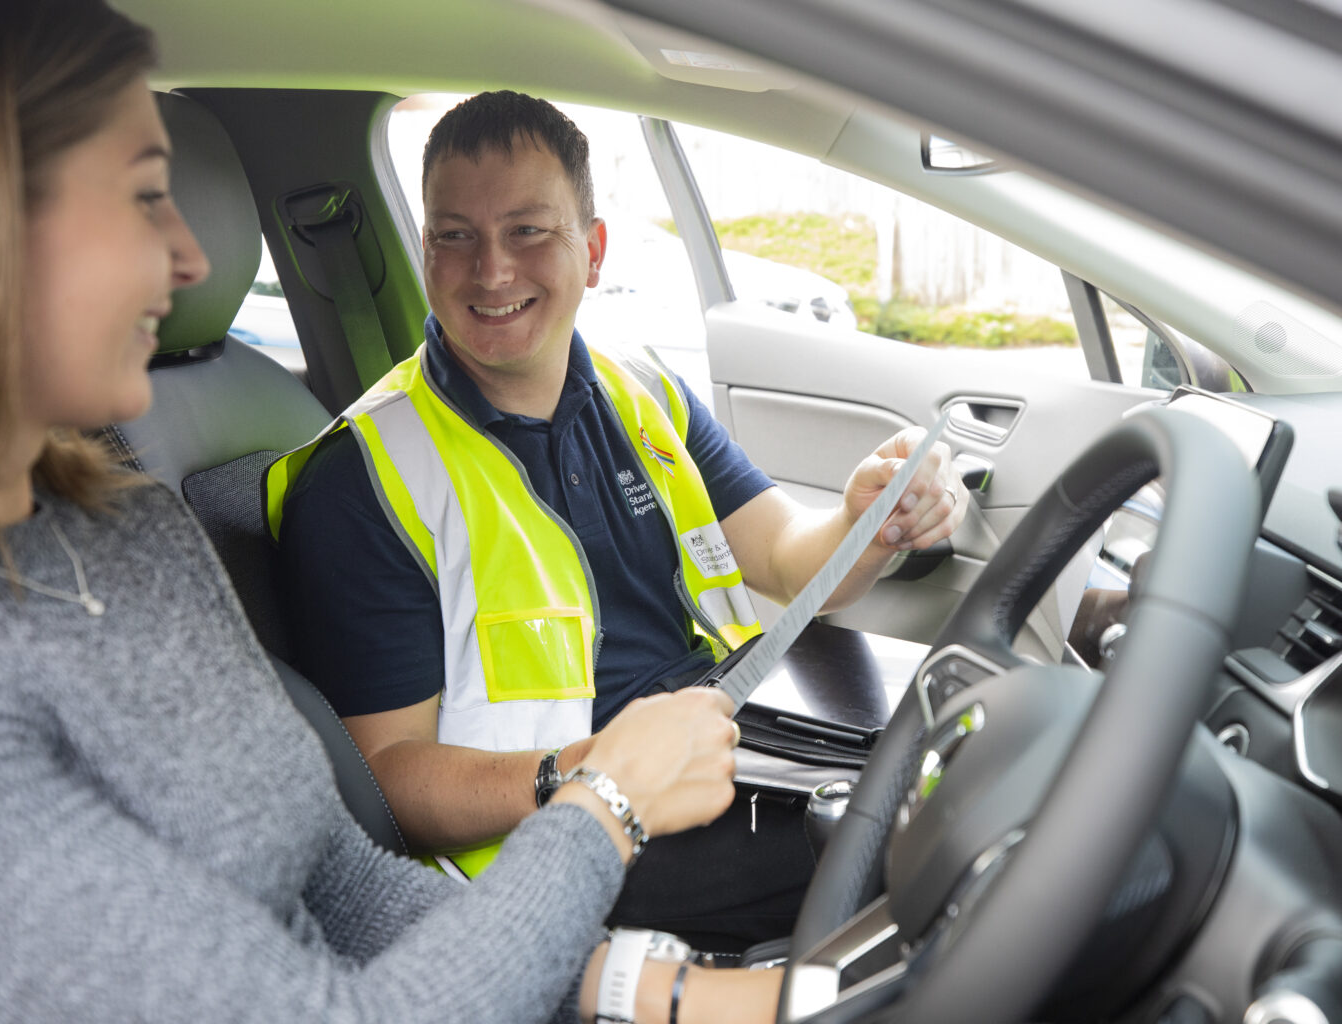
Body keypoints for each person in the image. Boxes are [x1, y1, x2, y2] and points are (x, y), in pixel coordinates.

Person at [0, 4, 782, 1022]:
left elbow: (344, 883)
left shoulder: (127, 533)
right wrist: (604, 800)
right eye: (147, 198)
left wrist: (700, 995)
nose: (192, 259)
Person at [273, 91, 968, 947]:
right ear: (424, 252)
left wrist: (866, 519)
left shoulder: (646, 395)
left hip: (721, 738)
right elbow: (387, 783)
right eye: (455, 236)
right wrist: (599, 772)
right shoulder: (363, 481)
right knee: (945, 838)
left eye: (529, 230)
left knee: (977, 747)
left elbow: (791, 560)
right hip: (563, 843)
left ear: (593, 251)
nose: (491, 271)